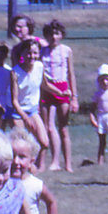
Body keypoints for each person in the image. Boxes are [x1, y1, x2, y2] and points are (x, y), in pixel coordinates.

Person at [40, 20, 77, 172]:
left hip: (62, 87)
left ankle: (67, 164)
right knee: (45, 127)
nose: (54, 37)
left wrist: (74, 97)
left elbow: (71, 74)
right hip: (46, 87)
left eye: (57, 34)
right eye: (50, 34)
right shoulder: (41, 51)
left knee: (63, 128)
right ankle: (42, 163)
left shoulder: (66, 50)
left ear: (61, 35)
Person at [9, 39, 50, 165]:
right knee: (20, 144)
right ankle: (17, 168)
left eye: (35, 53)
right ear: (22, 54)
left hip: (31, 109)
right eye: (28, 53)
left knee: (44, 142)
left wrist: (61, 92)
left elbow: (45, 84)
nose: (32, 56)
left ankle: (31, 165)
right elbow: (14, 101)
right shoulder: (15, 72)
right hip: (17, 111)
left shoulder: (39, 66)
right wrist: (25, 118)